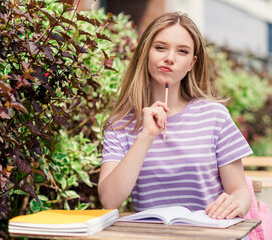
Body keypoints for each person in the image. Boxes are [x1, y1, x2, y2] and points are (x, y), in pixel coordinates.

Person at [98, 12, 253, 221]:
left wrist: (235, 205)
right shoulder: (120, 125)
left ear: (191, 63)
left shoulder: (215, 117)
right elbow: (109, 200)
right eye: (160, 47)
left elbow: (240, 192)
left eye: (182, 51)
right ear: (145, 53)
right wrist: (145, 136)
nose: (170, 58)